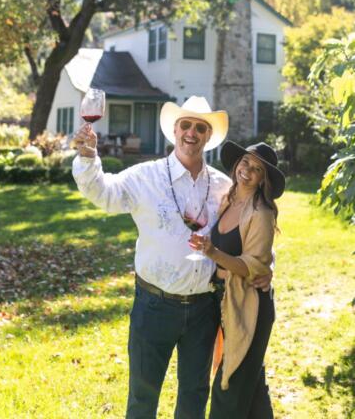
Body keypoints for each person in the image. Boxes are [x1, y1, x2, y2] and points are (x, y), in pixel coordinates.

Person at [71, 96, 272, 419]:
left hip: (205, 309)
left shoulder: (224, 186)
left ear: (208, 136)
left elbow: (251, 227)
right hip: (154, 305)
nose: (192, 132)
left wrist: (267, 267)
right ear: (175, 131)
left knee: (194, 396)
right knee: (142, 396)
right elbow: (103, 194)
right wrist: (88, 156)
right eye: (186, 125)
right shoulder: (144, 177)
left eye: (200, 127)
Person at [190, 140, 285, 419]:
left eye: (257, 169)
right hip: (226, 301)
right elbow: (260, 254)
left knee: (228, 384)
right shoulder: (228, 200)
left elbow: (252, 265)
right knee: (252, 386)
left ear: (262, 180)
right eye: (246, 162)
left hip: (249, 306)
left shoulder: (262, 213)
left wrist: (212, 252)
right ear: (237, 163)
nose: (248, 170)